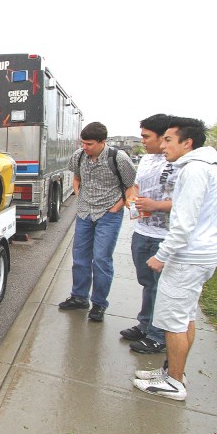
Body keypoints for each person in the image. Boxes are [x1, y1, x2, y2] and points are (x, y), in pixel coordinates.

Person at [134, 117, 217, 401]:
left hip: (188, 257)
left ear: (188, 143)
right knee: (185, 318)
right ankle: (174, 371)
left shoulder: (194, 171)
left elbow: (184, 222)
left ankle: (173, 382)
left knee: (173, 322)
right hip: (199, 255)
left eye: (169, 140)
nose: (163, 146)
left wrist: (161, 256)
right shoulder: (205, 167)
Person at [59, 122, 136, 321]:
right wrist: (78, 195)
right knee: (80, 258)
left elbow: (130, 187)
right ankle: (79, 297)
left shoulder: (119, 158)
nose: (85, 147)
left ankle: (99, 304)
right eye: (83, 143)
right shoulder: (79, 156)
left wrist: (116, 208)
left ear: (103, 142)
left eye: (90, 144)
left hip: (108, 214)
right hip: (85, 213)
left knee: (101, 260)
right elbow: (76, 178)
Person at [120, 114, 178, 354]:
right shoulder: (146, 160)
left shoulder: (177, 162)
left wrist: (156, 206)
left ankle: (158, 336)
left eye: (146, 136)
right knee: (147, 283)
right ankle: (145, 325)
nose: (142, 140)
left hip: (164, 235)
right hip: (142, 231)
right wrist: (131, 199)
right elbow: (135, 186)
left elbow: (186, 202)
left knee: (159, 287)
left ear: (162, 137)